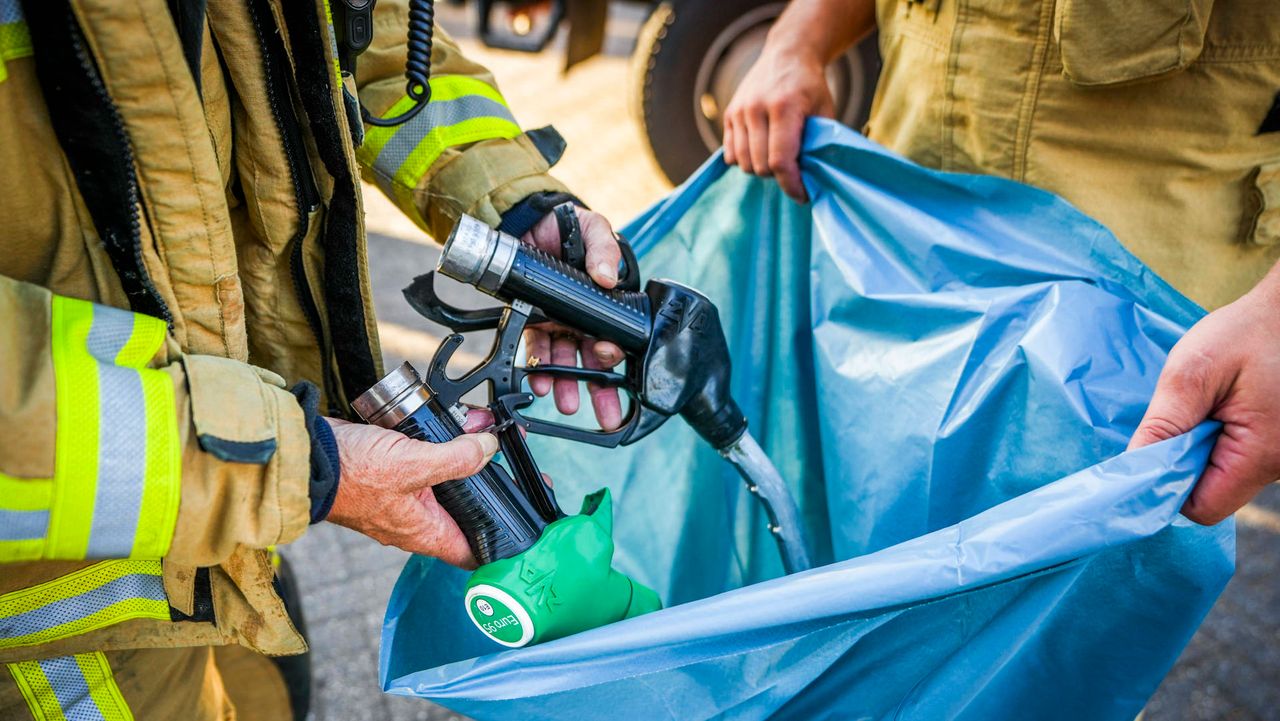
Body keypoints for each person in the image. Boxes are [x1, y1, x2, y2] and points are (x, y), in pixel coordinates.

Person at [0, 0, 622, 718]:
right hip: (53, 626)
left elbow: (372, 25)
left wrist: (512, 205)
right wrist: (291, 464)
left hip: (218, 520)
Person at [721, 0, 1280, 526]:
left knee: (1077, 606)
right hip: (890, 268)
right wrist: (796, 39)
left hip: (1132, 331)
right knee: (864, 564)